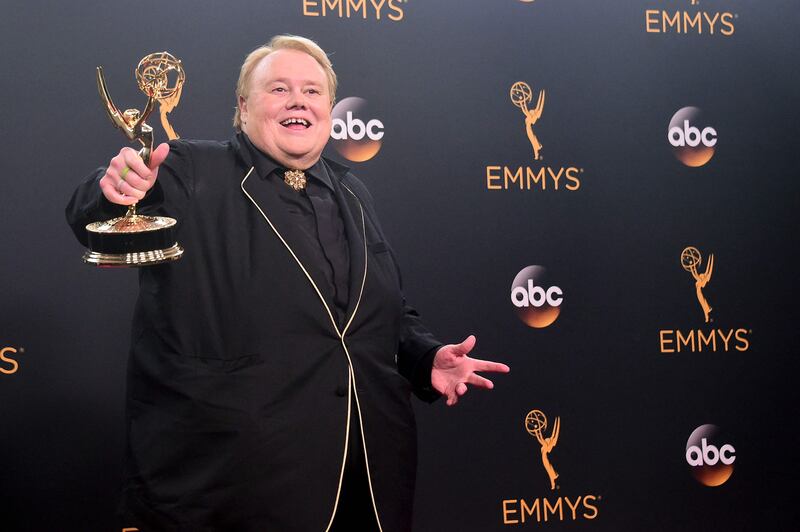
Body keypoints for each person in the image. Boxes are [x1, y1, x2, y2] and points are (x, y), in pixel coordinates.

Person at [67, 35, 509, 532]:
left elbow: (380, 313)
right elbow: (93, 215)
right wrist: (113, 191)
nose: (299, 100)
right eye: (279, 88)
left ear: (328, 110)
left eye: (313, 91)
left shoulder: (352, 191)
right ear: (242, 106)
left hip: (367, 481)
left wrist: (425, 358)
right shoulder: (190, 170)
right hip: (236, 490)